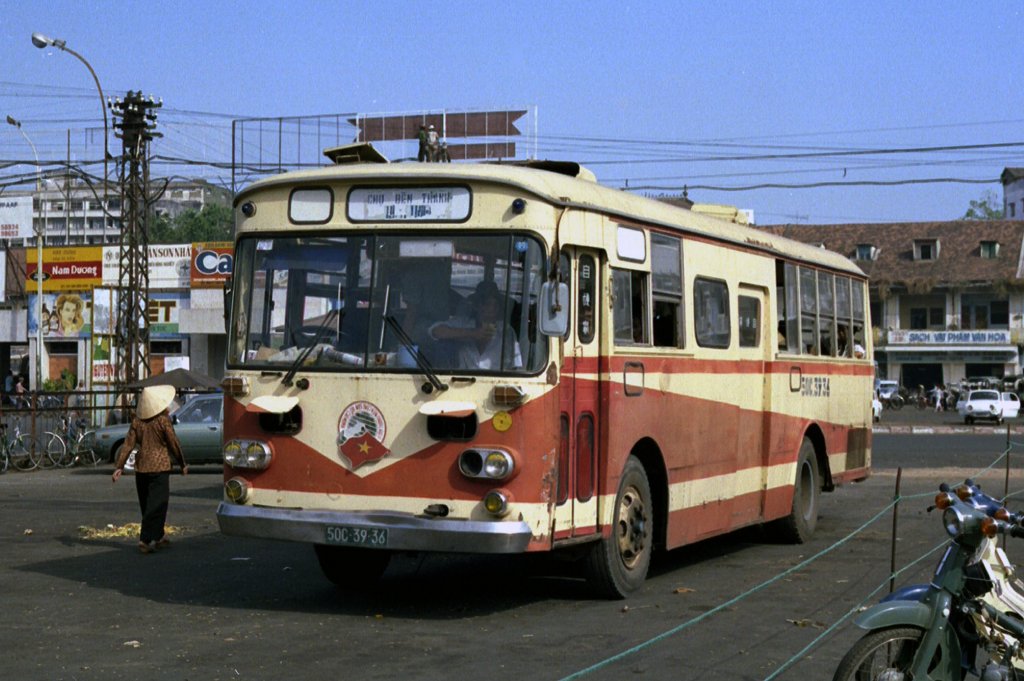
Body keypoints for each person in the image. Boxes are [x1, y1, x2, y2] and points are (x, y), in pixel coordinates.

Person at [111, 385, 188, 554]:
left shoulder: (137, 422)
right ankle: (145, 539)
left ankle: (159, 536)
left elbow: (128, 445)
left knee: (147, 504)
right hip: (160, 466)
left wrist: (119, 466)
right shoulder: (163, 421)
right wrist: (182, 463)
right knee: (158, 504)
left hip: (142, 467)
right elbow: (173, 443)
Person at [429, 281, 522, 370]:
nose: (491, 309)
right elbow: (436, 331)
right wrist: (473, 333)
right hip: (459, 382)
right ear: (477, 306)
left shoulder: (507, 332)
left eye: (495, 304)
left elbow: (515, 367)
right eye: (486, 304)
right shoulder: (463, 323)